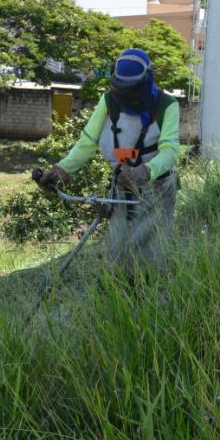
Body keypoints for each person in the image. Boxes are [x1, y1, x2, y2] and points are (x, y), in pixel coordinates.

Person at [34, 49, 181, 277]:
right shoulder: (109, 100)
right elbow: (88, 142)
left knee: (150, 257)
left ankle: (150, 298)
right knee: (117, 251)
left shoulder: (166, 105)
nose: (128, 96)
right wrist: (62, 169)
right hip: (122, 187)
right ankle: (117, 298)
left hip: (156, 189)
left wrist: (146, 171)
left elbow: (171, 150)